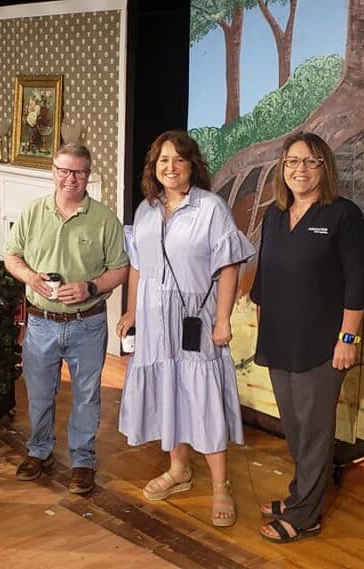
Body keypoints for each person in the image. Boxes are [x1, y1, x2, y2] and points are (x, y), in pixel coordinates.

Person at [115, 130, 255, 527]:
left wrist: (223, 318)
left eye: (179, 159)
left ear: (192, 165)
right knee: (168, 390)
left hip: (195, 316)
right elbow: (138, 265)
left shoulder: (211, 208)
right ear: (154, 167)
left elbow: (230, 265)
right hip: (153, 320)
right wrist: (131, 310)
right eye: (163, 160)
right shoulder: (146, 210)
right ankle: (178, 470)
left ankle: (221, 485)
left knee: (201, 393)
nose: (171, 167)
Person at [249, 132, 364, 543]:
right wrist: (262, 330)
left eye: (309, 161)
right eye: (292, 161)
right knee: (295, 428)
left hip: (322, 345)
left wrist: (347, 340)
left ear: (324, 168)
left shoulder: (343, 215)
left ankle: (305, 516)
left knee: (315, 432)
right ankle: (300, 495)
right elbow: (265, 278)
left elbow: (358, 284)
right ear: (282, 169)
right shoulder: (274, 215)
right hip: (279, 340)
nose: (299, 169)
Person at [3, 143, 129, 495]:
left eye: (78, 172)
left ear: (88, 175)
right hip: (41, 321)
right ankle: (39, 451)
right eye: (64, 171)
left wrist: (90, 287)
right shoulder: (33, 212)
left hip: (87, 323)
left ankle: (82, 461)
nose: (70, 179)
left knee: (86, 396)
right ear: (53, 172)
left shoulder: (104, 219)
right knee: (39, 393)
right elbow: (11, 256)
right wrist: (31, 278)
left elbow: (120, 269)